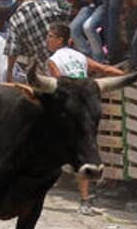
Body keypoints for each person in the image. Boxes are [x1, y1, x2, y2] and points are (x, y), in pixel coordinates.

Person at [44, 22, 123, 215]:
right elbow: (101, 68)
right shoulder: (79, 56)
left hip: (69, 107)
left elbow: (59, 85)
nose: (47, 40)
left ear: (59, 40)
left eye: (50, 36)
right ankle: (85, 200)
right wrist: (124, 75)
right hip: (87, 106)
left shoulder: (53, 60)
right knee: (85, 148)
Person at [4, 0, 68, 82]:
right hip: (63, 56)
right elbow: (66, 16)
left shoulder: (15, 19)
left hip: (45, 64)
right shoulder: (47, 5)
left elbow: (12, 51)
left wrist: (9, 74)